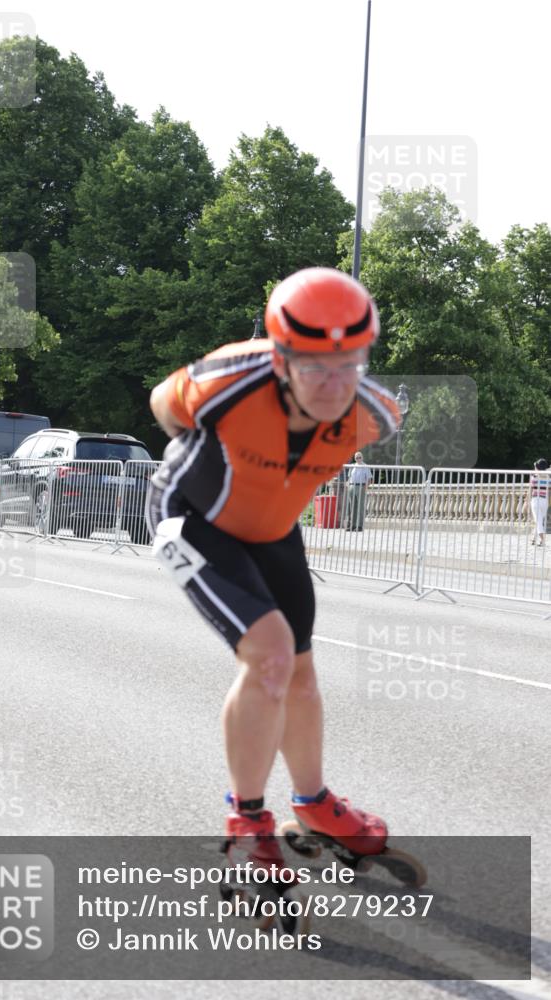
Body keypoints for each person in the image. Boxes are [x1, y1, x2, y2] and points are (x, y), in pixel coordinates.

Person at [146, 267, 400, 876]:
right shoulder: (228, 378)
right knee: (271, 656)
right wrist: (214, 457)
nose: (334, 384)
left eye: (351, 363)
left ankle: (313, 803)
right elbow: (163, 404)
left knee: (303, 677)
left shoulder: (375, 415)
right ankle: (245, 821)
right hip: (190, 520)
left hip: (274, 534)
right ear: (281, 359)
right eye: (314, 365)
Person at [344, 451, 373, 531]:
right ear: (355, 458)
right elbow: (349, 477)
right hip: (352, 486)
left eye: (359, 457)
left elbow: (369, 479)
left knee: (360, 507)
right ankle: (352, 525)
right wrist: (348, 485)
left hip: (361, 486)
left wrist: (365, 488)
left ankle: (359, 526)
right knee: (352, 507)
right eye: (356, 458)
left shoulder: (365, 466)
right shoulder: (352, 466)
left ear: (362, 457)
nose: (358, 459)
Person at [528, 458, 549, 546]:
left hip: (536, 500)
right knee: (539, 520)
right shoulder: (549, 477)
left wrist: (527, 500)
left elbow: (530, 489)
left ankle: (542, 539)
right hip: (545, 500)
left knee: (538, 521)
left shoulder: (534, 476)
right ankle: (533, 539)